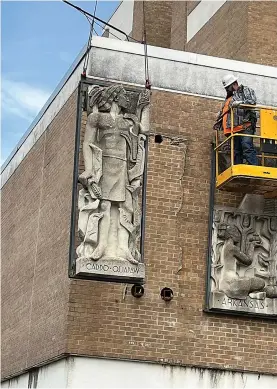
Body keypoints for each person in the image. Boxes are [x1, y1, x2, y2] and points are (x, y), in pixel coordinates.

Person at [215, 74, 258, 165]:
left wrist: (240, 103)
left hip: (245, 126)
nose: (227, 90)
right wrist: (220, 114)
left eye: (228, 87)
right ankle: (238, 168)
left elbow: (252, 101)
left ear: (234, 83)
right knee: (237, 151)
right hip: (234, 129)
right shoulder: (229, 98)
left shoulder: (245, 90)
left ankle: (254, 167)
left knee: (247, 146)